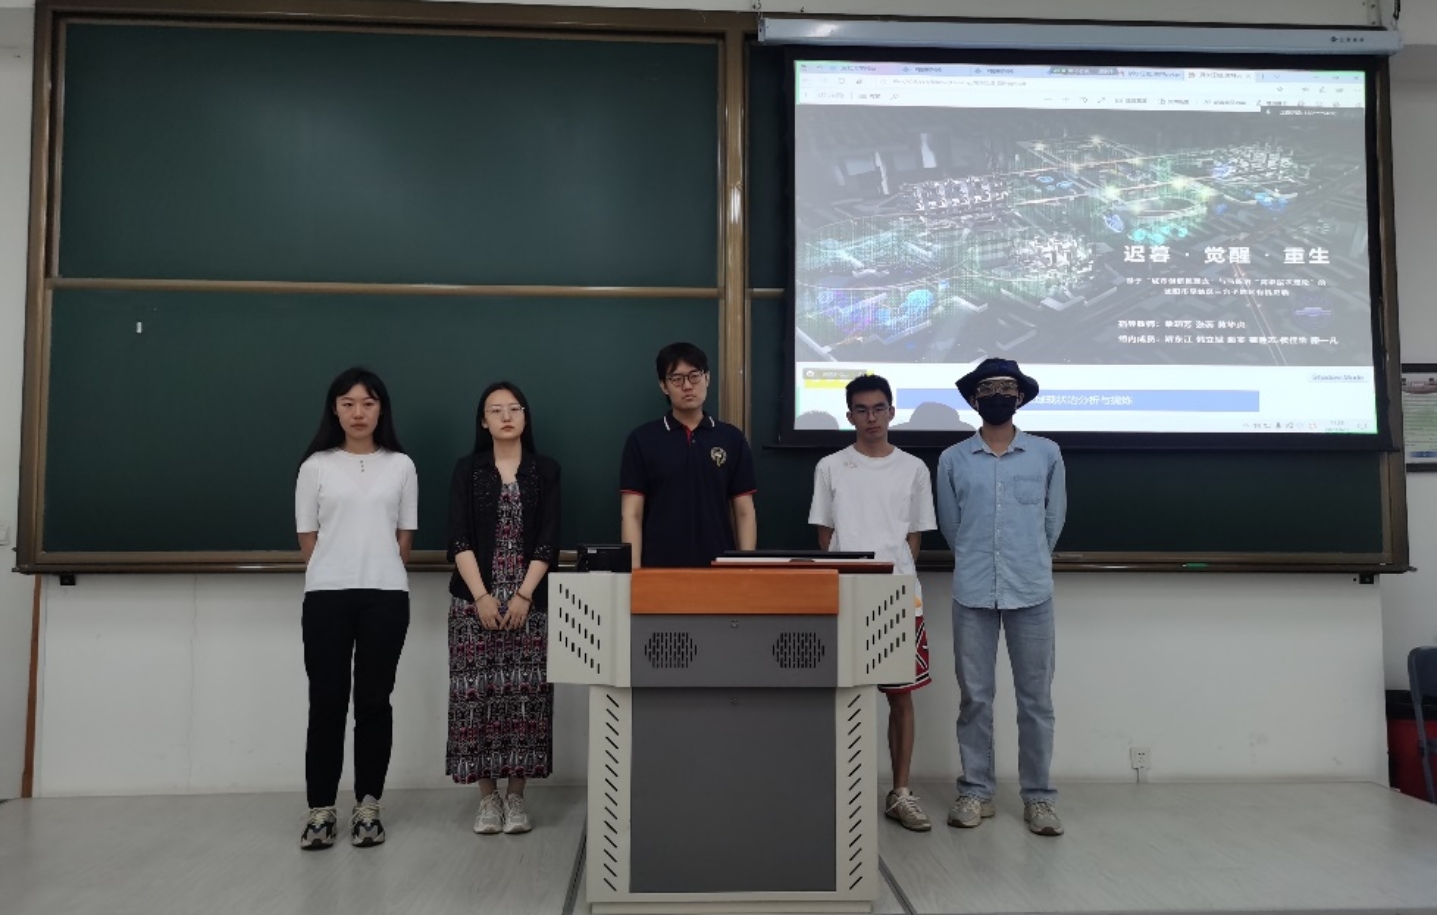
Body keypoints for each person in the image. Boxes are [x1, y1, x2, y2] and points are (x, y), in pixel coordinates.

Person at [936, 358, 1067, 837]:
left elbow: (1053, 521)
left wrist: (1028, 559)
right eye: (988, 390)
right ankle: (976, 791)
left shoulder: (1046, 454)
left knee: (1036, 701)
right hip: (973, 591)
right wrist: (979, 559)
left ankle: (1039, 798)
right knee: (975, 698)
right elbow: (952, 527)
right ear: (974, 399)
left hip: (1031, 591)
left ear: (1020, 397)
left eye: (1006, 389)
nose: (997, 396)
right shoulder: (953, 459)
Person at [295, 367, 418, 850]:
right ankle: (321, 810)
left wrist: (378, 568)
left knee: (373, 701)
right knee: (327, 701)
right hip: (327, 595)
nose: (358, 412)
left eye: (368, 403)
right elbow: (308, 537)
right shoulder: (316, 466)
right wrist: (335, 568)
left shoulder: (401, 466)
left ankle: (368, 806)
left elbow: (404, 536)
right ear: (335, 409)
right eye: (348, 403)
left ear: (381, 409)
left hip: (385, 595)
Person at [809, 374, 937, 832]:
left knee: (900, 698)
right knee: (842, 694)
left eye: (879, 408)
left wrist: (894, 577)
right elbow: (825, 536)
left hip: (898, 596)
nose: (871, 418)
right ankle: (838, 793)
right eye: (861, 410)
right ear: (849, 416)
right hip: (845, 594)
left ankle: (900, 793)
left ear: (891, 412)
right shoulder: (831, 467)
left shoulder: (913, 469)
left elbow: (914, 538)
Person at [445, 382, 560, 836]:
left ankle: (516, 798)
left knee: (526, 699)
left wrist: (524, 595)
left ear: (526, 417)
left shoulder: (545, 470)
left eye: (514, 408)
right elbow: (458, 538)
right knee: (478, 698)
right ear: (483, 420)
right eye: (496, 410)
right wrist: (482, 596)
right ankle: (486, 799)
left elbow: (549, 537)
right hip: (475, 601)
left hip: (529, 602)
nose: (506, 416)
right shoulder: (467, 470)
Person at [620, 342, 757, 568]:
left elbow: (744, 512)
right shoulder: (642, 439)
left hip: (719, 566)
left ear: (707, 378)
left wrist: (746, 567)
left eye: (694, 376)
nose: (687, 386)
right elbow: (631, 513)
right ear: (664, 386)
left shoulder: (731, 438)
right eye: (677, 379)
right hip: (659, 568)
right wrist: (634, 573)